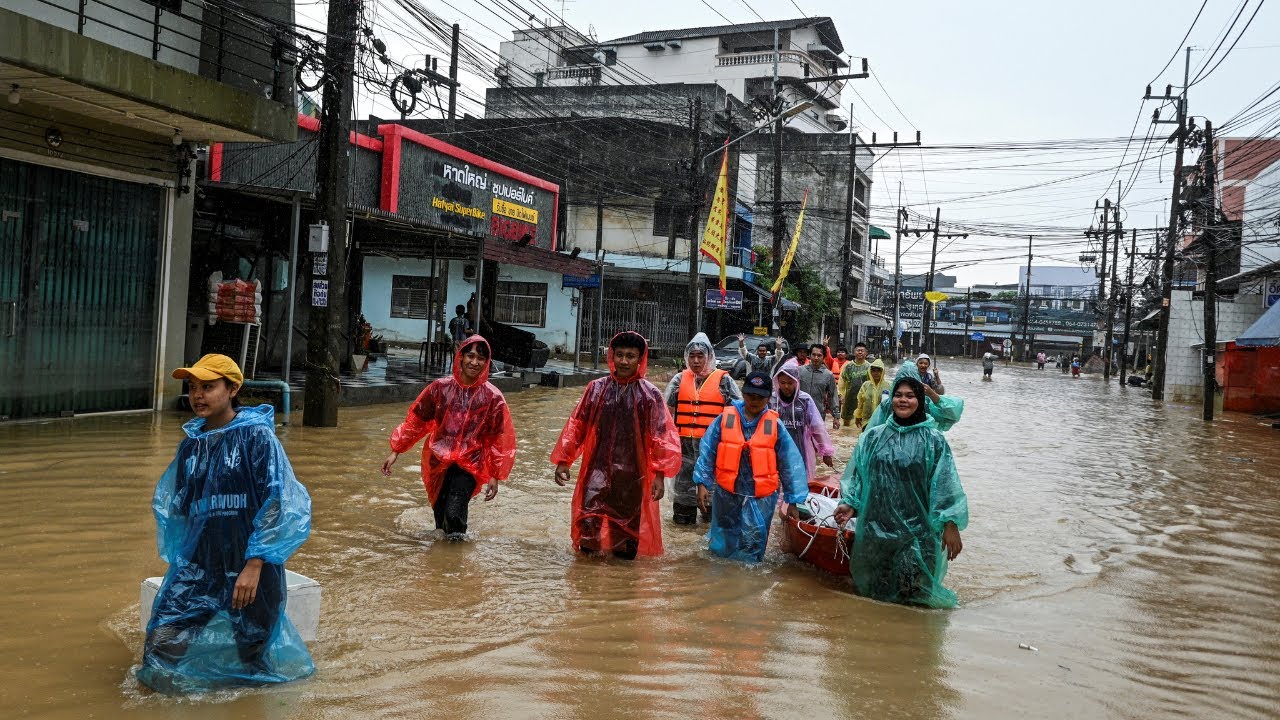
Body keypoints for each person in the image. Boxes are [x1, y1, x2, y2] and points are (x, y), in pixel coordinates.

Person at [139, 354, 313, 694]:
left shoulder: (257, 438)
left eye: (208, 386)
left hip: (250, 569)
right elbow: (180, 509)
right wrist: (181, 562)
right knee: (160, 646)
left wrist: (255, 562)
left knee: (252, 660)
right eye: (192, 388)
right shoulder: (191, 445)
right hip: (199, 565)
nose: (198, 395)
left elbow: (279, 501)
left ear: (233, 389)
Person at [834, 374, 968, 608]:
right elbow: (858, 476)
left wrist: (950, 524)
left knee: (913, 598)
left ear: (920, 401)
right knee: (874, 596)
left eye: (910, 396)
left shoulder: (933, 441)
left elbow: (945, 485)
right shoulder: (873, 438)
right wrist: (850, 503)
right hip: (876, 530)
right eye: (898, 395)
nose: (902, 400)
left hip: (917, 534)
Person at [551, 332, 681, 559]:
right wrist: (564, 460)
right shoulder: (596, 389)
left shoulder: (650, 395)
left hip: (632, 478)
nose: (623, 361)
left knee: (625, 542)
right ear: (611, 356)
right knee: (588, 538)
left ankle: (621, 590)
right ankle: (586, 588)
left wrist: (660, 474)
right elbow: (577, 426)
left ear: (640, 359)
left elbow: (662, 437)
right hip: (595, 471)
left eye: (630, 356)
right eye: (619, 355)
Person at [381, 336, 516, 540]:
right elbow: (416, 422)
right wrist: (396, 450)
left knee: (454, 514)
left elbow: (499, 438)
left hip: (471, 464)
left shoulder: (493, 398)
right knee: (440, 516)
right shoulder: (439, 389)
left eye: (480, 358)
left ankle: (455, 564)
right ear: (460, 357)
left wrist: (495, 474)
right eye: (470, 356)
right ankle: (440, 563)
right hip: (438, 460)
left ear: (486, 362)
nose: (474, 362)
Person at [692, 371, 808, 563]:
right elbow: (708, 451)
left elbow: (790, 464)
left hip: (761, 496)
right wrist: (702, 483)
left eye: (760, 397)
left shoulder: (775, 425)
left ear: (768, 397)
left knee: (753, 544)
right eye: (750, 396)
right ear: (743, 394)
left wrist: (793, 501)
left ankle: (748, 584)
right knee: (722, 541)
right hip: (727, 493)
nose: (754, 401)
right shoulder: (725, 418)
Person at [665, 332, 743, 524]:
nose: (696, 360)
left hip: (713, 453)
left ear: (709, 356)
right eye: (692, 356)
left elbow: (741, 415)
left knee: (711, 519)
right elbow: (664, 416)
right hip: (684, 452)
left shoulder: (725, 381)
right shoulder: (678, 380)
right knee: (682, 520)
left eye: (701, 356)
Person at [771, 360, 835, 481]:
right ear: (777, 382)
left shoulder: (805, 400)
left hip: (800, 448)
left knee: (799, 481)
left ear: (797, 382)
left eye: (790, 383)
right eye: (782, 382)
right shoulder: (772, 400)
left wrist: (825, 453)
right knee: (776, 482)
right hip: (775, 449)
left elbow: (817, 428)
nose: (786, 386)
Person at [798, 344, 840, 429]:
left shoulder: (828, 375)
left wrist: (836, 417)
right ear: (810, 355)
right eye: (814, 355)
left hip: (818, 414)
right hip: (799, 412)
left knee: (816, 440)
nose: (816, 358)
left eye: (819, 355)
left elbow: (833, 396)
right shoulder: (800, 371)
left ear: (824, 357)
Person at [838, 342, 872, 428]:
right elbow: (842, 381)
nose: (860, 352)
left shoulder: (870, 367)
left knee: (862, 424)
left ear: (866, 353)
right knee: (846, 425)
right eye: (858, 350)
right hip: (849, 399)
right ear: (854, 352)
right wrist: (840, 395)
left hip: (864, 400)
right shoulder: (848, 366)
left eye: (862, 351)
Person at [853, 359, 893, 429]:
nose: (876, 373)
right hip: (867, 421)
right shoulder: (866, 385)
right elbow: (860, 402)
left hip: (883, 422)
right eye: (873, 370)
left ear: (883, 372)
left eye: (879, 370)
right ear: (870, 371)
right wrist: (858, 416)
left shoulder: (889, 385)